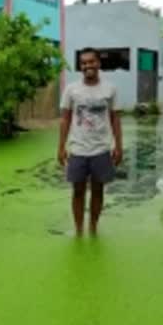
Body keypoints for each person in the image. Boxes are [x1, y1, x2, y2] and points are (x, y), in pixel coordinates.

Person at [57, 48, 123, 237]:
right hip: (78, 149)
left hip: (101, 149)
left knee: (98, 190)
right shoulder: (71, 89)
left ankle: (93, 227)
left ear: (98, 63)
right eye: (84, 63)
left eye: (91, 62)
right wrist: (61, 147)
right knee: (77, 191)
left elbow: (115, 119)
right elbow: (65, 119)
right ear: (81, 66)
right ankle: (79, 229)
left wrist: (118, 146)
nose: (88, 66)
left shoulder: (110, 89)